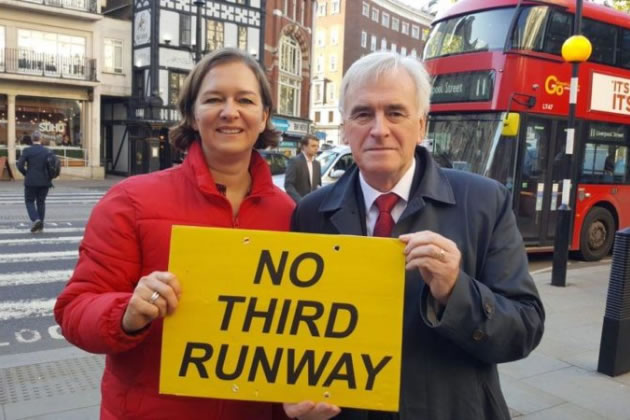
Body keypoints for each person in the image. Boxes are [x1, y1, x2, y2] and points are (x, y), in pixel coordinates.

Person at [284, 51, 545, 420]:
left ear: (421, 125)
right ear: (344, 127)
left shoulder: (484, 201)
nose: (379, 129)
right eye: (362, 114)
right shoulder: (312, 212)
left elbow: (525, 329)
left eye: (395, 112)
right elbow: (293, 332)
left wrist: (455, 290)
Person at [54, 48, 295, 419]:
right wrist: (126, 314)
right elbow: (74, 310)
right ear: (193, 116)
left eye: (244, 99)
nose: (229, 111)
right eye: (213, 99)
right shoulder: (130, 200)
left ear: (263, 117)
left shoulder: (291, 214)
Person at [16, 130, 52, 233]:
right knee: (41, 202)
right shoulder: (47, 151)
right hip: (45, 181)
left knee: (29, 201)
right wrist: (49, 177)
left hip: (31, 180)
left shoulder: (27, 151)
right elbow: (52, 166)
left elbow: (19, 165)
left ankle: (36, 219)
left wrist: (25, 173)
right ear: (40, 139)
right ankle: (40, 225)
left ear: (32, 139)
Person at [284, 134, 322, 202]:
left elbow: (318, 185)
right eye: (313, 146)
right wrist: (300, 201)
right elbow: (288, 185)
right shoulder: (294, 161)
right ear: (304, 147)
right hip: (298, 204)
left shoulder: (317, 164)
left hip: (312, 204)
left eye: (317, 146)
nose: (316, 148)